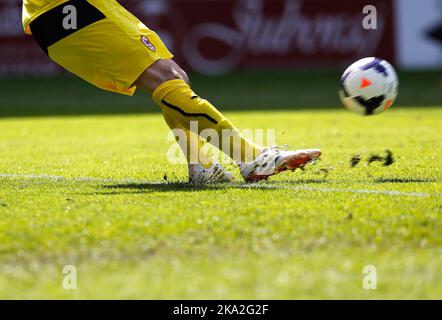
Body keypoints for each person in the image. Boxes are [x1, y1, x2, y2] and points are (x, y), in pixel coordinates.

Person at [22, 0, 321, 183]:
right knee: (164, 76)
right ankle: (251, 157)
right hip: (71, 9)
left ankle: (202, 166)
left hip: (60, 15)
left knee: (174, 76)